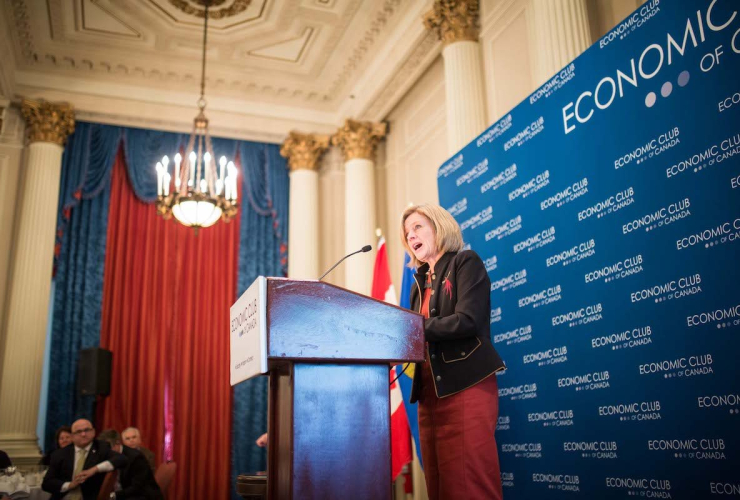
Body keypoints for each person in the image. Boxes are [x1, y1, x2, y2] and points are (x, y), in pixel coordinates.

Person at [401, 204, 506, 500]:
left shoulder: (465, 262)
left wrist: (410, 329)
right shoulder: (416, 285)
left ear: (439, 226)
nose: (411, 235)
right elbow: (412, 338)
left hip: (465, 388)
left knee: (471, 482)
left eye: (418, 227)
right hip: (428, 396)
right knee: (438, 484)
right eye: (407, 232)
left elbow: (468, 320)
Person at [42, 418, 128, 500]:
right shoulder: (60, 454)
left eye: (87, 430)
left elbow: (121, 459)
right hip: (64, 497)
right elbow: (47, 483)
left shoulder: (101, 447)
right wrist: (69, 485)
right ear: (72, 436)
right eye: (78, 431)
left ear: (93, 432)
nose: (83, 434)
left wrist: (95, 469)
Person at [98, 429, 164, 500]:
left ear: (117, 443)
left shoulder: (136, 457)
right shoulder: (109, 455)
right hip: (123, 493)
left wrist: (113, 495)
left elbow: (137, 487)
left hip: (142, 496)